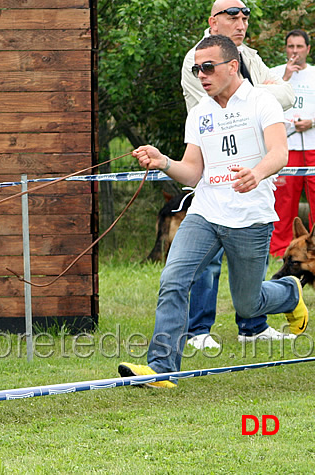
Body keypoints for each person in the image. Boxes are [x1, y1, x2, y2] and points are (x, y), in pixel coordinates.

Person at [118, 34, 308, 387]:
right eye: (196, 68)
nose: (201, 75)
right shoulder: (200, 113)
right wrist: (163, 162)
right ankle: (161, 369)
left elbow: (280, 152)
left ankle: (290, 293)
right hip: (205, 212)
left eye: (208, 67)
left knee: (249, 305)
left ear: (232, 66)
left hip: (250, 218)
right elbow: (192, 171)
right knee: (172, 280)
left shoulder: (261, 102)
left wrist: (257, 172)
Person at [180, 0, 295, 350]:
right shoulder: (197, 60)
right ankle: (198, 331)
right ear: (213, 21)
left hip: (253, 169)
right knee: (205, 260)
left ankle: (253, 325)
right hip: (211, 168)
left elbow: (287, 96)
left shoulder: (250, 55)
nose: (240, 22)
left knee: (251, 262)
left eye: (245, 16)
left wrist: (249, 90)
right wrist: (256, 90)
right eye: (233, 16)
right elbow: (218, 100)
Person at [269, 30, 315, 257]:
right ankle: (280, 251)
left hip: (313, 147)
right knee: (284, 204)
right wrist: (285, 77)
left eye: (299, 46)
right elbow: (264, 102)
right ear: (285, 49)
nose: (295, 51)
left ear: (308, 48)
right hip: (285, 147)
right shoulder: (275, 73)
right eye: (290, 47)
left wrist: (312, 122)